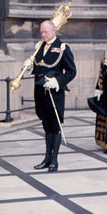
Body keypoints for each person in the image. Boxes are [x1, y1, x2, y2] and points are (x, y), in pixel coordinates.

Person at [28, 20, 76, 172]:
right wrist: (30, 67)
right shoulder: (39, 47)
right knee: (46, 126)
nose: (43, 34)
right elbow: (39, 67)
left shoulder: (62, 48)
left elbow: (71, 71)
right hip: (40, 92)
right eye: (41, 32)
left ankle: (54, 159)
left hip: (54, 93)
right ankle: (47, 158)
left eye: (46, 32)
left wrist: (57, 81)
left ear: (54, 31)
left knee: (55, 127)